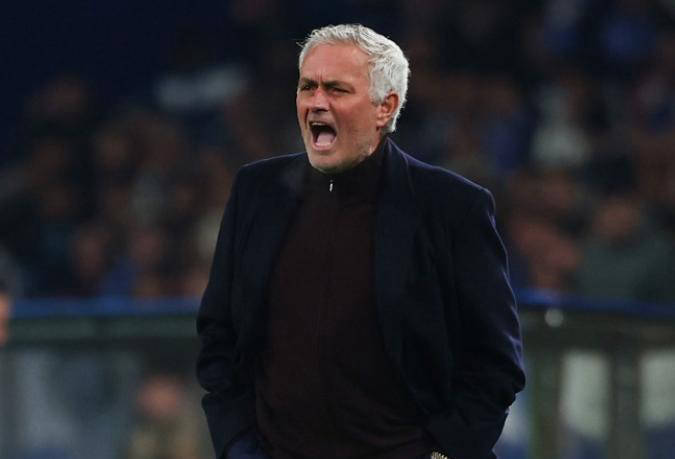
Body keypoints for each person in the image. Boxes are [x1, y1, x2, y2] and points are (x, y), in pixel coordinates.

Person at [196, 24, 525, 459]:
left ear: (385, 107)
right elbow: (219, 335)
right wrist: (238, 445)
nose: (316, 102)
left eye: (337, 89)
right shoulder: (257, 191)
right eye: (307, 86)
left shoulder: (452, 207)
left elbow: (494, 364)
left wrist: (443, 454)